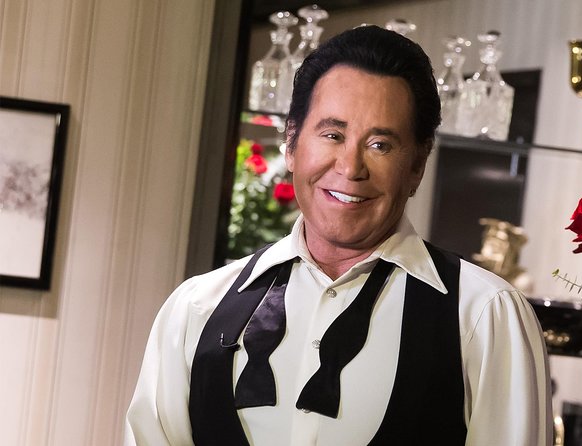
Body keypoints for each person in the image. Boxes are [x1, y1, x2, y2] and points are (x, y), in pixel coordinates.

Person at [125, 25, 552, 445]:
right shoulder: (196, 307)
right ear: (291, 144)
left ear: (417, 166)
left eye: (380, 144)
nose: (350, 168)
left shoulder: (484, 316)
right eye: (333, 135)